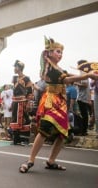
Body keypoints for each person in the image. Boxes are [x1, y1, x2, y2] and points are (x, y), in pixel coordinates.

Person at [19, 36, 98, 173]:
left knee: (63, 132)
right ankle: (30, 160)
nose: (60, 55)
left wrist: (90, 74)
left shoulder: (57, 68)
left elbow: (67, 74)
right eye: (57, 51)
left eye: (61, 52)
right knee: (44, 128)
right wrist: (86, 76)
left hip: (61, 102)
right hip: (51, 101)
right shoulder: (49, 68)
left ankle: (51, 161)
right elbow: (67, 79)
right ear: (49, 53)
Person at [10, 60, 33, 145]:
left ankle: (25, 139)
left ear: (19, 68)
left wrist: (28, 102)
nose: (14, 69)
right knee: (15, 119)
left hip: (23, 102)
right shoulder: (15, 78)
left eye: (15, 67)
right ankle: (16, 139)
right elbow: (14, 91)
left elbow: (30, 91)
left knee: (24, 119)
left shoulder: (26, 78)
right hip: (15, 102)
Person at [74, 60, 91, 136]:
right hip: (81, 96)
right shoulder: (83, 73)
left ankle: (84, 131)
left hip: (82, 97)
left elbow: (85, 85)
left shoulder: (83, 73)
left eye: (78, 65)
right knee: (83, 114)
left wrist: (75, 83)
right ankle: (83, 130)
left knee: (83, 114)